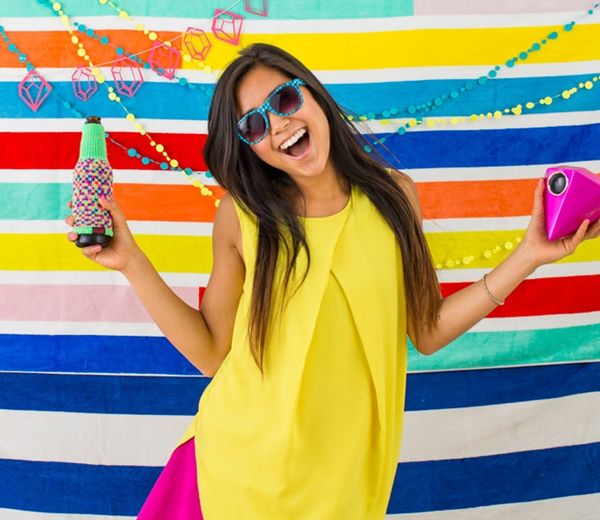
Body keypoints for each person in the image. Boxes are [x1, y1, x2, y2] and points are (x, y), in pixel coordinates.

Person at [66, 43, 600, 519]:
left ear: (314, 96)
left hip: (345, 485)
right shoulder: (241, 217)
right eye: (254, 125)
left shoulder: (394, 197)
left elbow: (427, 329)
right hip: (232, 472)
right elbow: (212, 354)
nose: (277, 125)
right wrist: (132, 262)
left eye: (284, 100)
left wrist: (529, 255)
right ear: (249, 147)